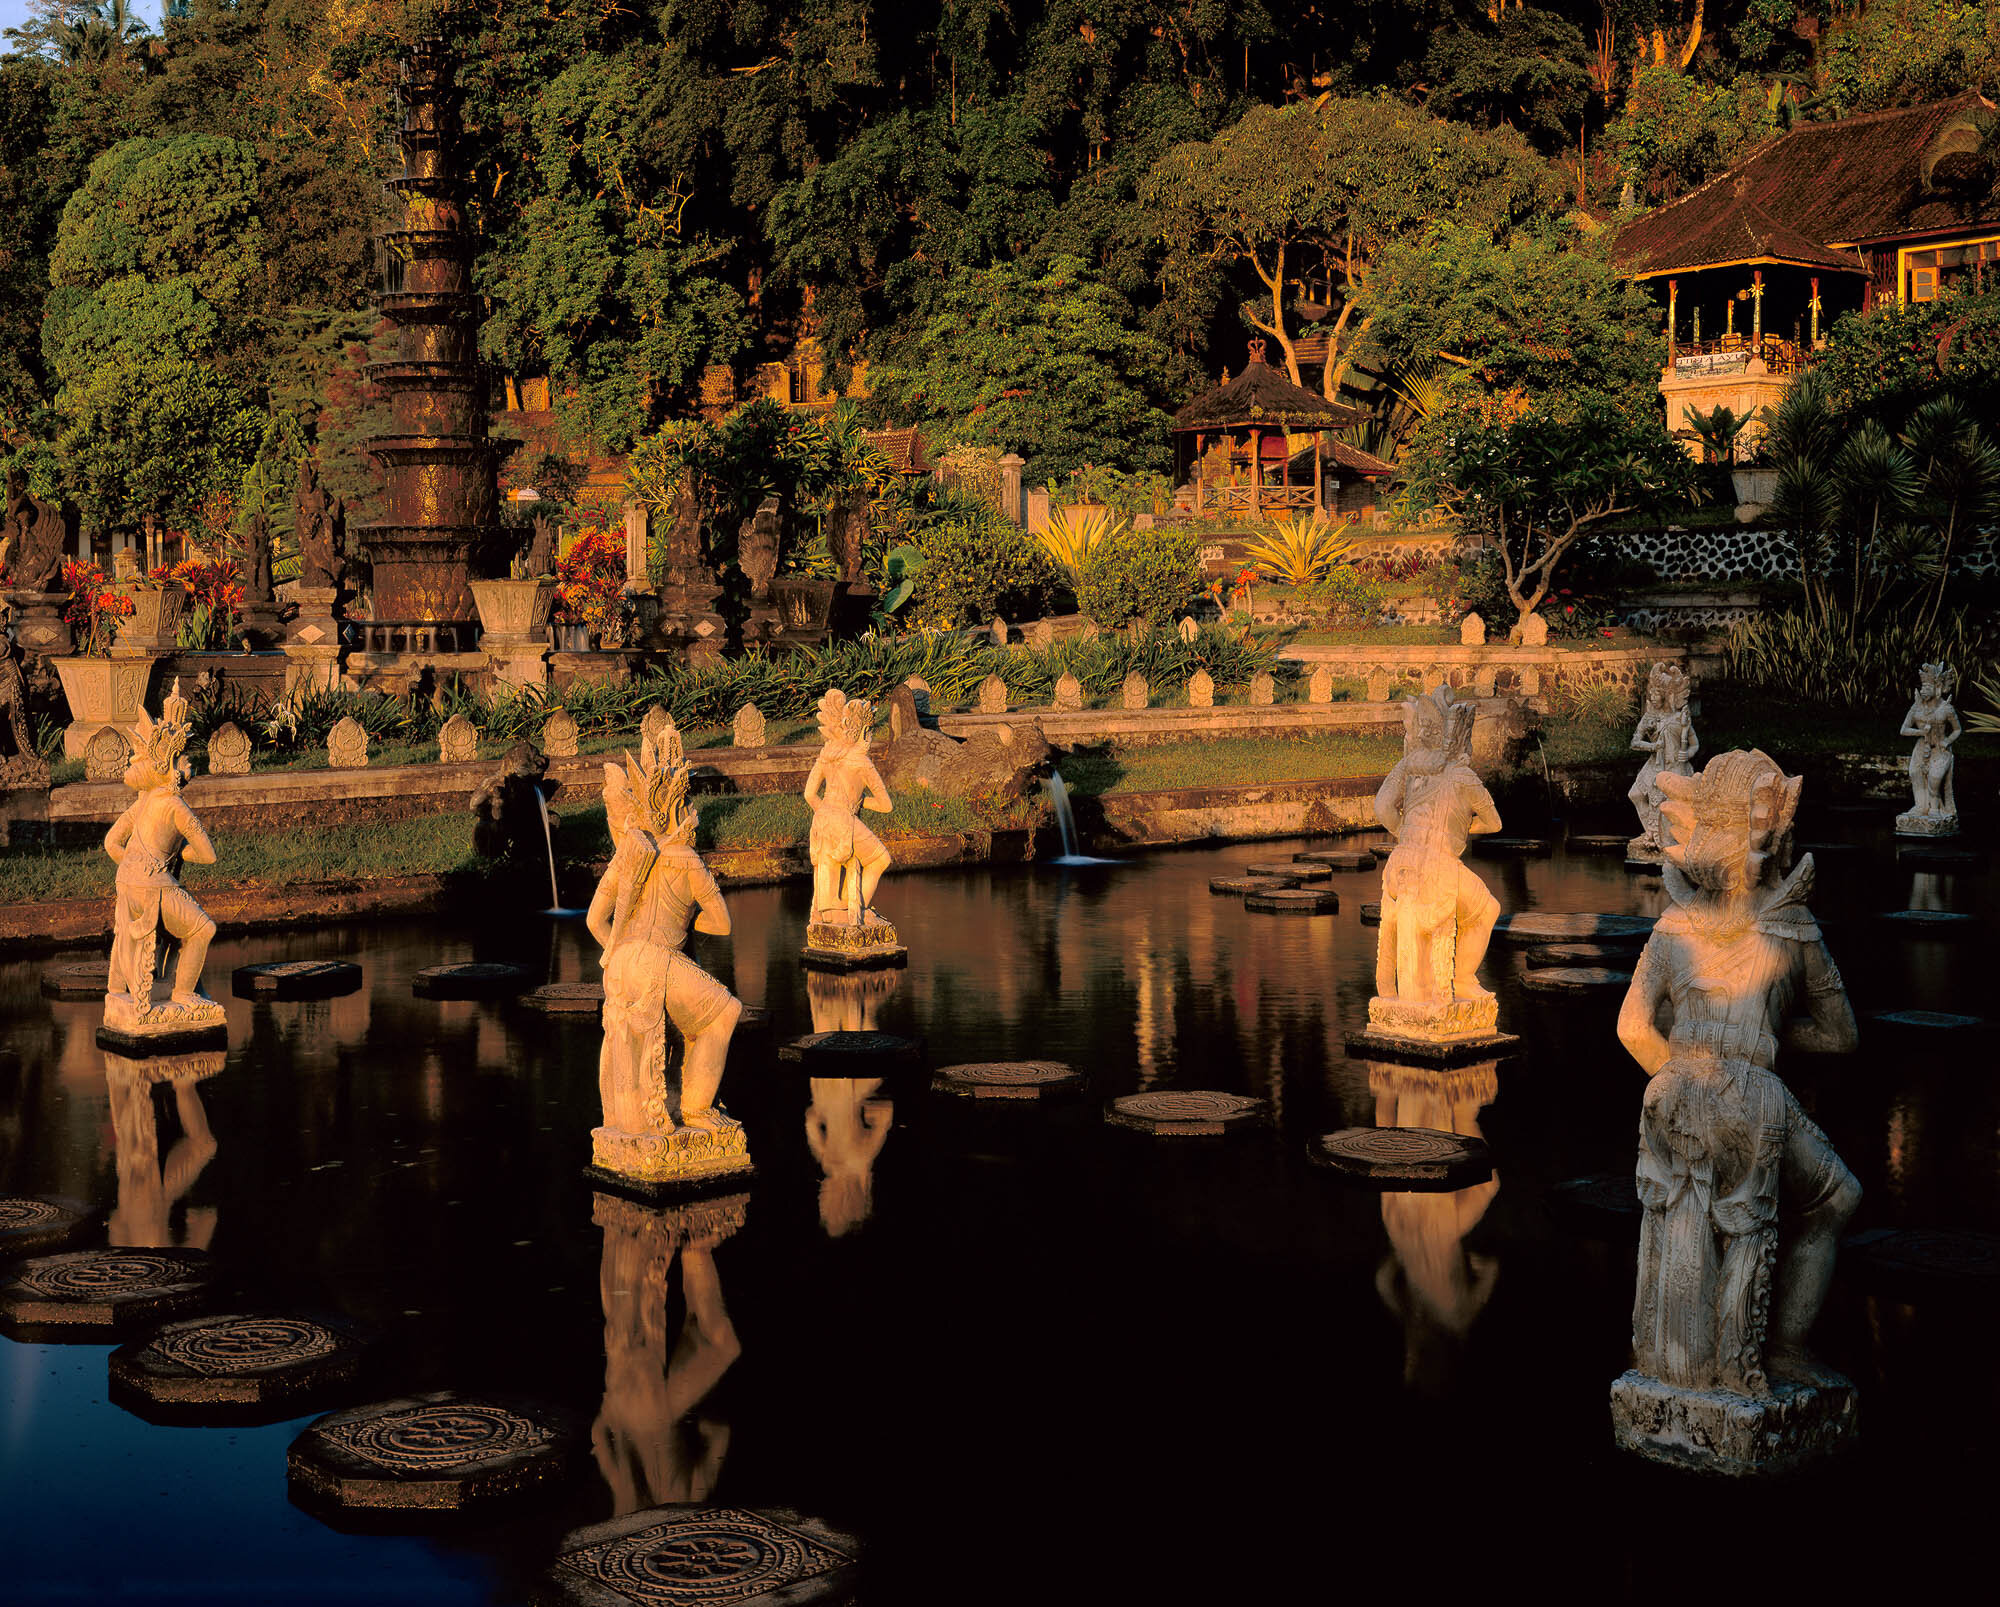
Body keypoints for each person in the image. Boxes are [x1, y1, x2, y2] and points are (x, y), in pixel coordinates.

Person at [103, 682, 219, 1025]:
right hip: (153, 885)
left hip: (126, 882)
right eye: (185, 761)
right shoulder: (175, 806)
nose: (189, 767)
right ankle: (183, 994)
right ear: (172, 767)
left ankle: (129, 992)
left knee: (173, 928)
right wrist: (176, 857)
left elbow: (111, 843)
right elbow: (208, 855)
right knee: (203, 930)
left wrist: (136, 867)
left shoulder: (141, 803)